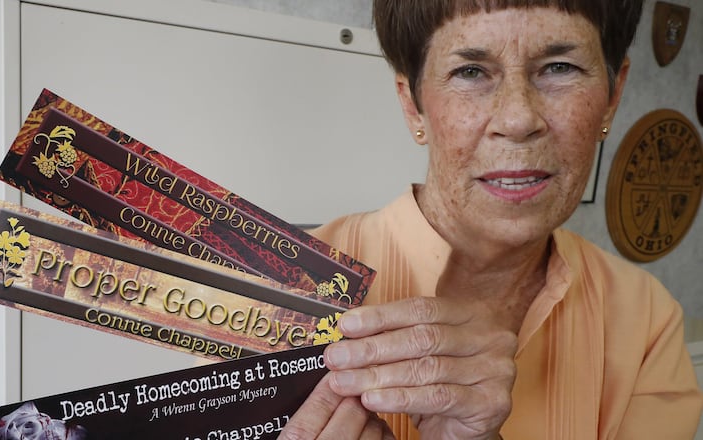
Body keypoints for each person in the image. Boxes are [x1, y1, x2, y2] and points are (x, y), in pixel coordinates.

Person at [279, 0, 703, 439]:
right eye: (470, 72)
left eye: (559, 68)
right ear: (413, 105)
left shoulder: (647, 320)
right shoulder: (280, 288)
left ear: (612, 98)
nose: (518, 119)